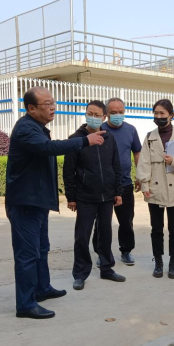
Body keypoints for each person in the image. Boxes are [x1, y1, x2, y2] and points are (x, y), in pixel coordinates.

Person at [6, 87, 106, 319]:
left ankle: (42, 288)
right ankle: (26, 304)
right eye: (47, 104)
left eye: (53, 103)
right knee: (27, 254)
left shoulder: (38, 127)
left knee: (42, 249)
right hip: (25, 202)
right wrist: (85, 141)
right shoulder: (25, 128)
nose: (53, 108)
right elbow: (48, 149)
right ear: (31, 108)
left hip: (38, 201)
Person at [64, 100, 125, 290]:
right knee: (82, 237)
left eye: (97, 115)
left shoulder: (109, 138)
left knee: (105, 234)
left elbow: (116, 166)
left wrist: (117, 191)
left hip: (107, 196)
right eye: (90, 113)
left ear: (104, 117)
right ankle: (80, 273)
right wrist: (71, 197)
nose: (93, 117)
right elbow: (69, 170)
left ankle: (106, 268)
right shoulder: (76, 139)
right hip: (85, 197)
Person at [136, 99, 174, 279]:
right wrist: (144, 184)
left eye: (162, 113)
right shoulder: (149, 137)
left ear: (171, 115)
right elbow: (144, 163)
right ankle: (158, 262)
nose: (159, 116)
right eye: (156, 113)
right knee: (156, 228)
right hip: (155, 188)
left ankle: (173, 262)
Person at [92, 97, 142, 267]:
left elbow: (137, 152)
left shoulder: (131, 130)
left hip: (124, 184)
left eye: (121, 112)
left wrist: (139, 175)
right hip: (103, 185)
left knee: (126, 220)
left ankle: (126, 251)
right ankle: (101, 253)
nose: (118, 115)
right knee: (101, 222)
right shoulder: (99, 129)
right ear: (106, 114)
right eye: (114, 112)